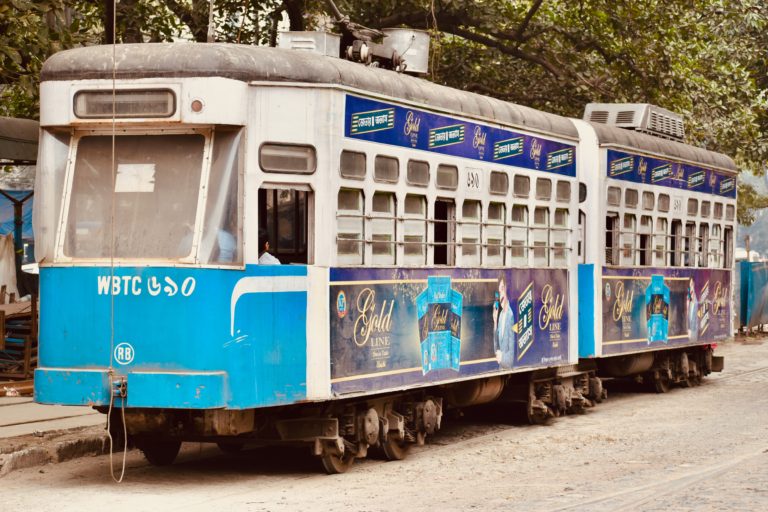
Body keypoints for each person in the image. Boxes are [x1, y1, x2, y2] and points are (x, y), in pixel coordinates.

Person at [492, 276, 516, 369]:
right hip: (501, 369)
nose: (500, 294)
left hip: (506, 369)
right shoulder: (501, 315)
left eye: (502, 289)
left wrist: (501, 358)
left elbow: (510, 360)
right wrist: (495, 322)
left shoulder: (510, 316)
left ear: (507, 289)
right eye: (499, 291)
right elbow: (496, 349)